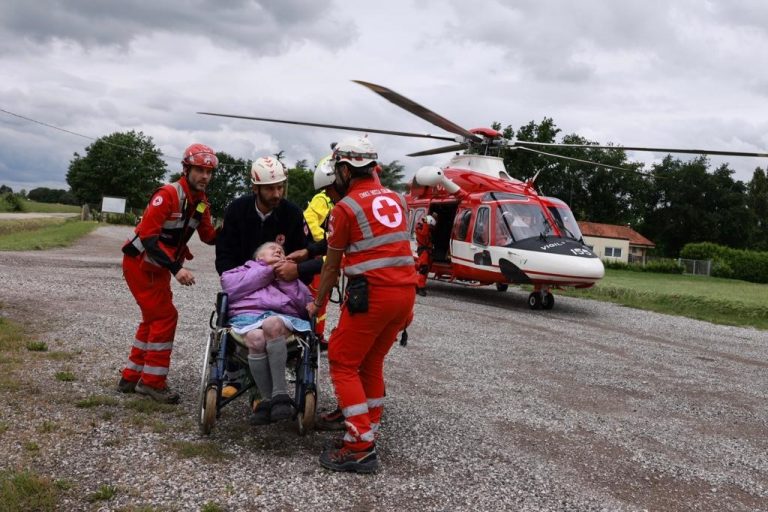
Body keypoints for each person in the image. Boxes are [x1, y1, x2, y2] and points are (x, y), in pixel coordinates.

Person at [307, 135, 418, 474]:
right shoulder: (396, 199)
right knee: (371, 361)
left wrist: (317, 302)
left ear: (344, 168)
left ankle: (359, 446)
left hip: (374, 295)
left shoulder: (345, 208)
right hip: (405, 295)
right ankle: (369, 427)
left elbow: (331, 265)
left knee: (341, 359)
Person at [118, 143, 218, 403]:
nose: (205, 176)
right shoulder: (168, 194)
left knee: (153, 318)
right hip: (141, 264)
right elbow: (149, 239)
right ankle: (152, 383)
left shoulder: (201, 202)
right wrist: (177, 269)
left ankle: (131, 377)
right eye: (200, 170)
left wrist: (238, 226)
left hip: (157, 266)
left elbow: (209, 237)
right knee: (165, 317)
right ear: (186, 169)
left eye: (209, 172)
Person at [215, 156, 321, 398]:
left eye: (280, 187)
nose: (277, 193)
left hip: (282, 292)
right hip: (246, 285)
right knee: (243, 326)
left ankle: (271, 393)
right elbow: (224, 257)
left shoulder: (292, 213)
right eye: (270, 188)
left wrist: (294, 273)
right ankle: (236, 375)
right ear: (255, 188)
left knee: (273, 328)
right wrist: (249, 276)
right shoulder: (237, 210)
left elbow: (309, 254)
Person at [221, 242, 312, 424]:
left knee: (272, 323)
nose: (278, 250)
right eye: (272, 248)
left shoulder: (291, 275)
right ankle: (268, 400)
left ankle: (280, 393)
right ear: (258, 257)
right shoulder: (240, 271)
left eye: (282, 251)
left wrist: (284, 279)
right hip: (247, 319)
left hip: (283, 318)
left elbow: (305, 305)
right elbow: (230, 288)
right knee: (256, 338)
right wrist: (269, 272)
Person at [415, 212, 437, 296]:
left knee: (425, 270)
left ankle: (418, 286)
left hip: (427, 252)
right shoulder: (421, 229)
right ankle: (420, 287)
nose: (431, 228)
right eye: (430, 226)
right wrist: (426, 224)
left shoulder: (423, 229)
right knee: (423, 269)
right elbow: (424, 233)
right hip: (424, 252)